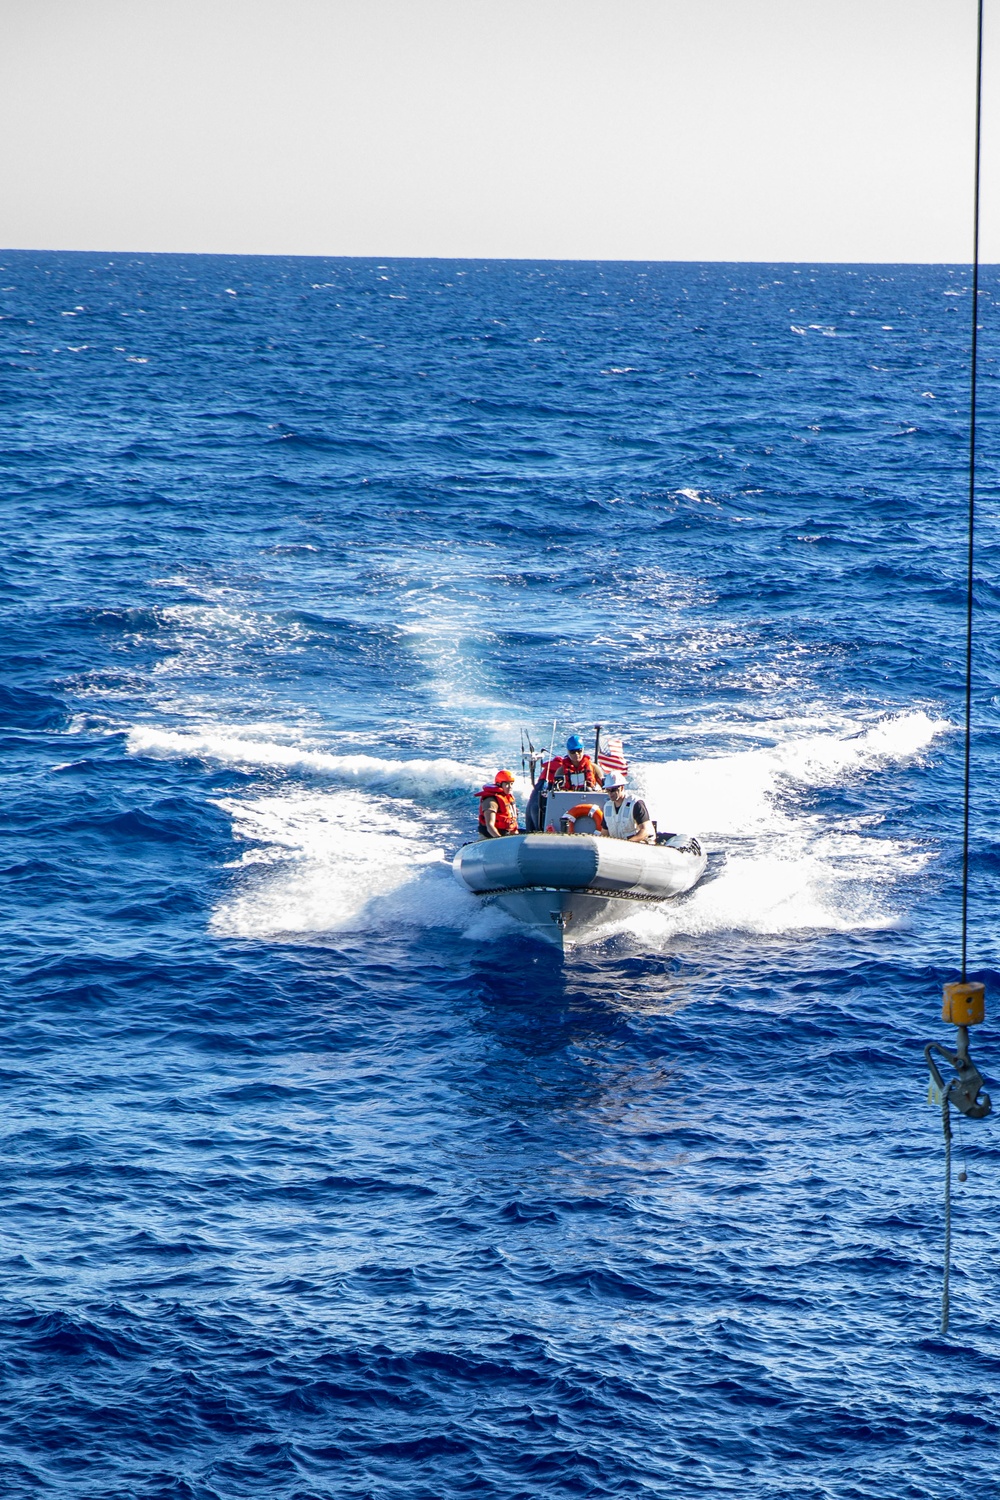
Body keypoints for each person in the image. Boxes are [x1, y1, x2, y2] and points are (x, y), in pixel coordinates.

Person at [601, 771, 654, 843]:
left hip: (637, 846)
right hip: (615, 848)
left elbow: (645, 831)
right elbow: (604, 833)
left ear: (622, 788)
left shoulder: (635, 803)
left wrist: (627, 843)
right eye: (608, 790)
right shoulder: (607, 807)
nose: (610, 793)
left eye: (613, 790)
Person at [478, 770, 519, 838]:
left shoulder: (508, 798)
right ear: (499, 784)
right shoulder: (491, 801)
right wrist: (500, 840)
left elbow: (512, 822)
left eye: (511, 784)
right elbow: (490, 825)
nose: (510, 786)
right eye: (506, 784)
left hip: (505, 834)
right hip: (490, 837)